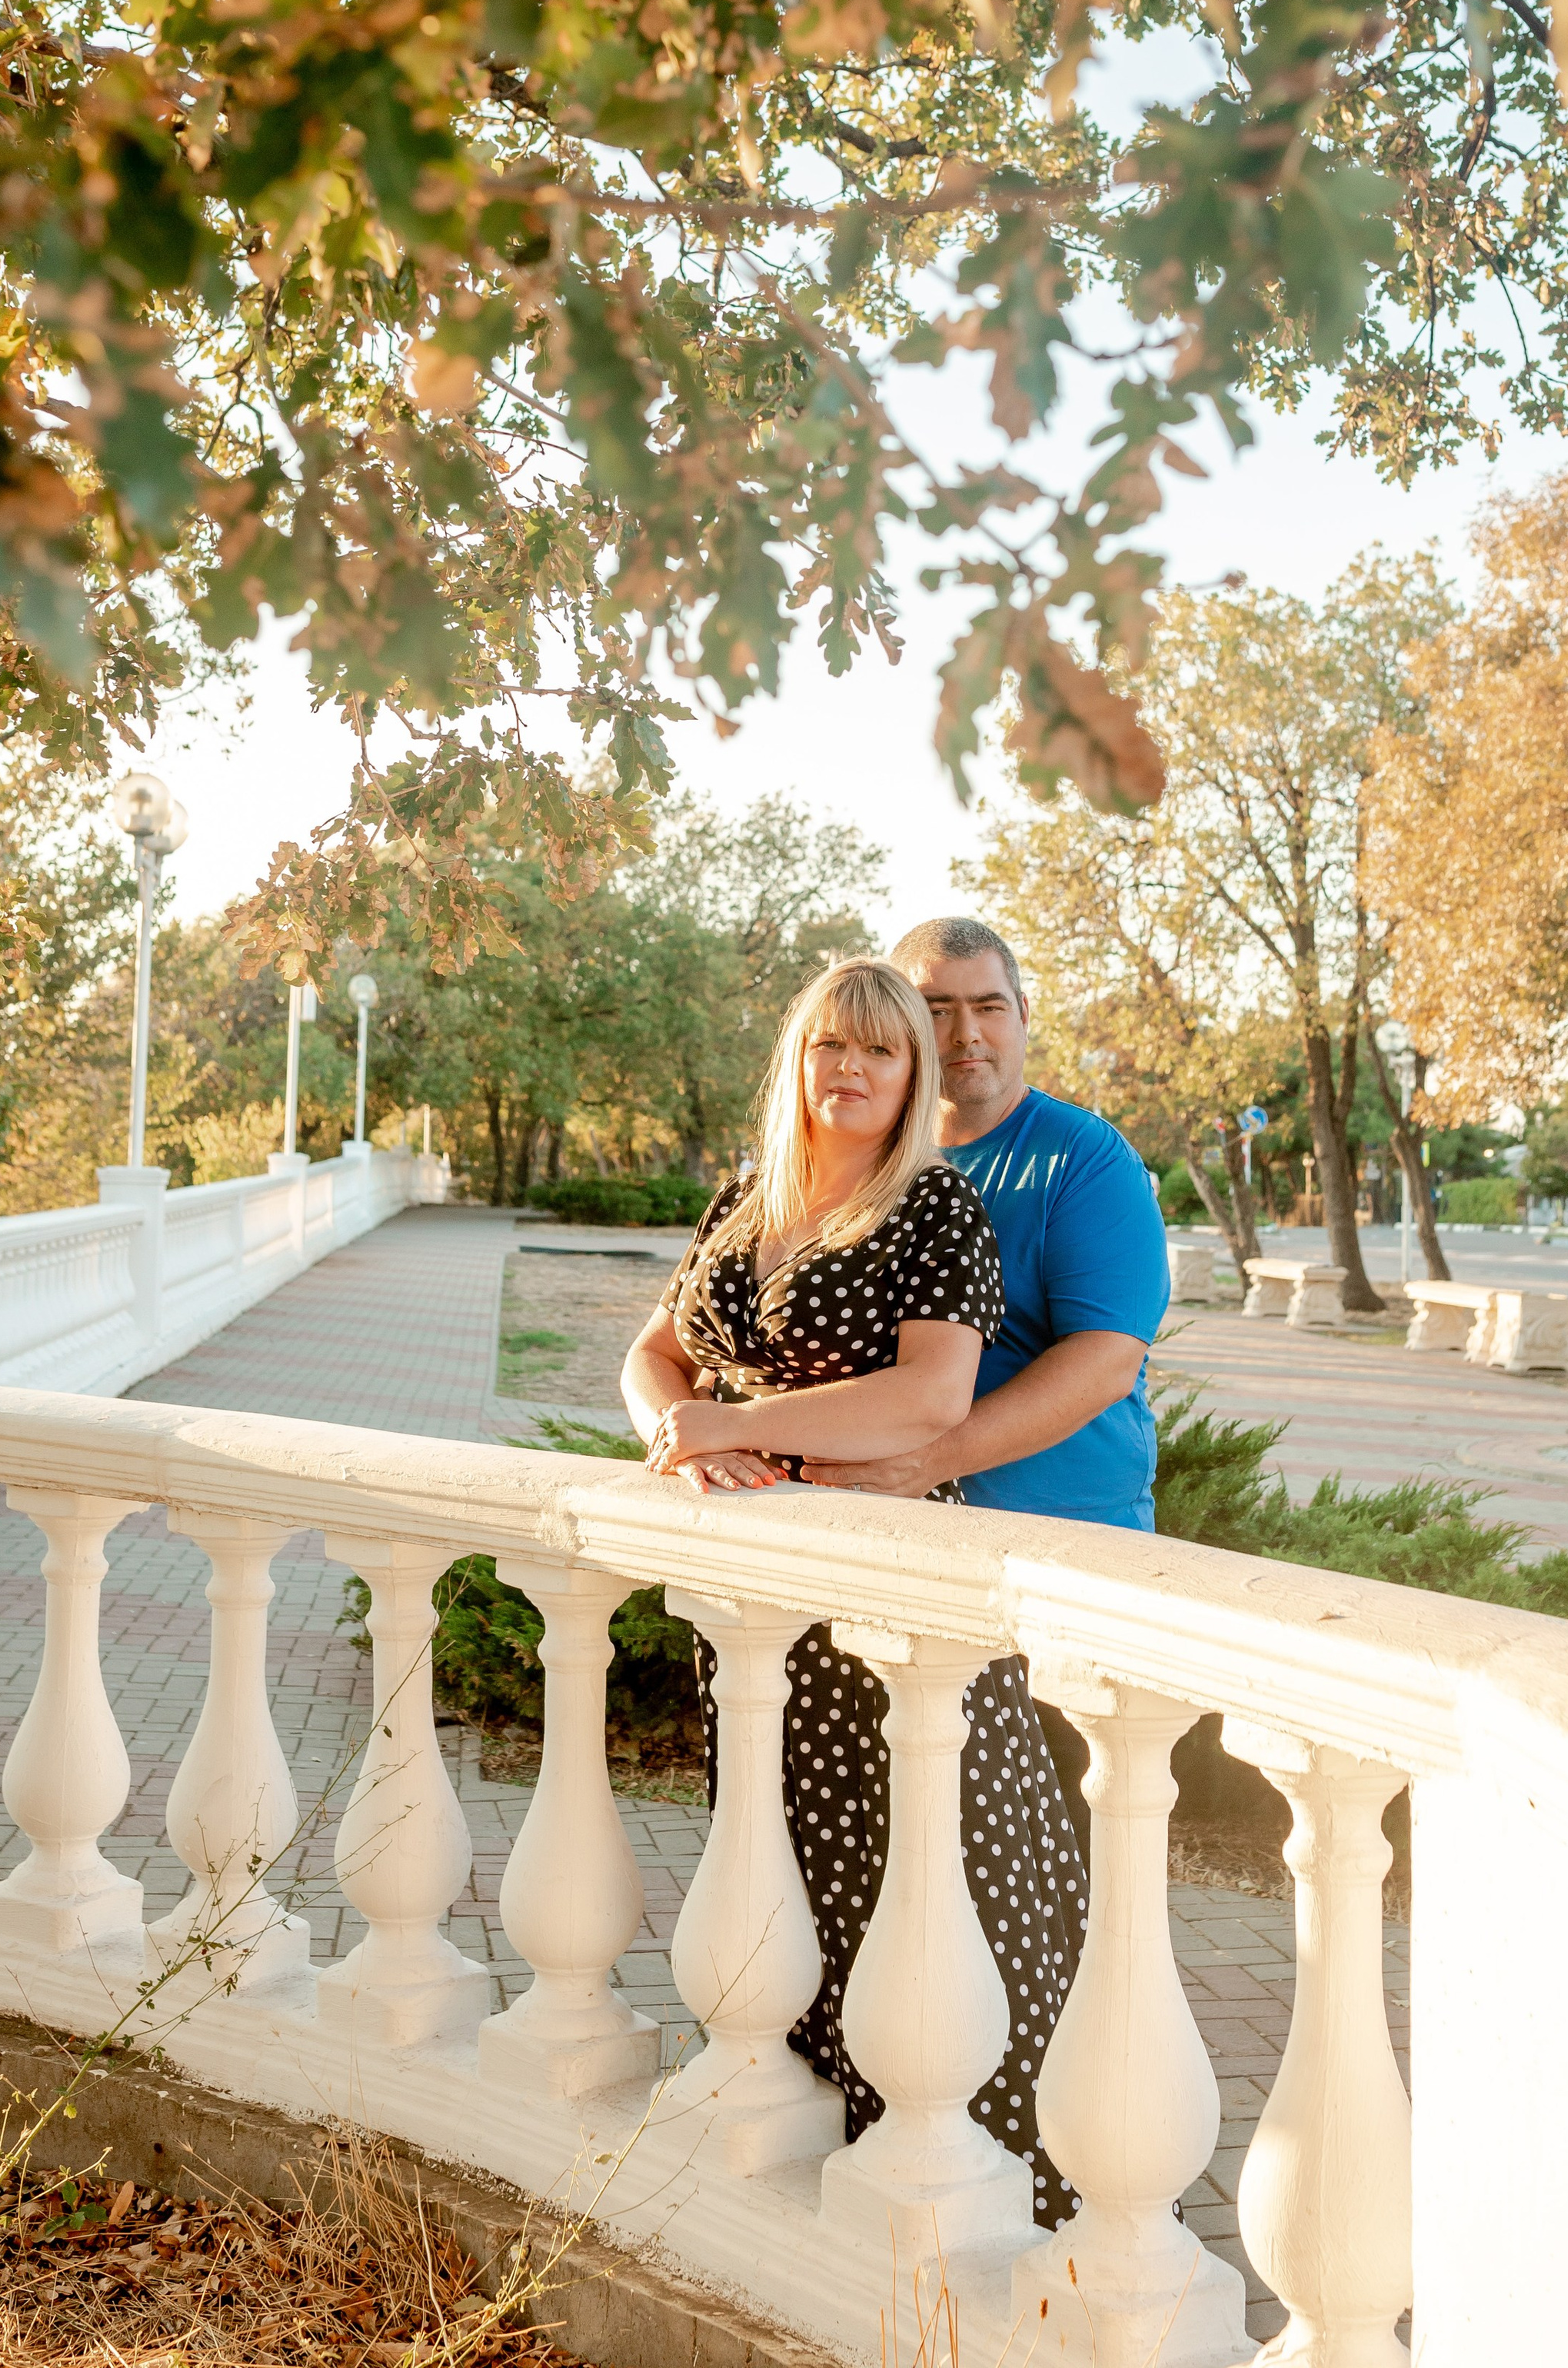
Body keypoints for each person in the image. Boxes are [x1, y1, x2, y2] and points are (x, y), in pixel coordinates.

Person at [620, 955, 1085, 2226]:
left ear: (913, 1074)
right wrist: (687, 1429)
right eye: (831, 1045)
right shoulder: (748, 1196)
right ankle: (814, 2180)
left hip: (883, 1612)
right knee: (783, 1886)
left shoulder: (936, 1207)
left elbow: (933, 1400)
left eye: (881, 1051)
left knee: (922, 1893)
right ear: (799, 1059)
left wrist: (735, 1422)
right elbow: (651, 1356)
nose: (852, 1070)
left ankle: (964, 2211)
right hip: (757, 1610)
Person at [797, 915, 1169, 1844]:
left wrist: (926, 1461)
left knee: (1063, 1879)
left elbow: (1105, 1359)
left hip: (1063, 1566)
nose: (966, 1035)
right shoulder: (862, 1165)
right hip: (905, 1571)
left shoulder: (1082, 1160)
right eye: (936, 1009)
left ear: (1023, 1015)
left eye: (988, 1007)